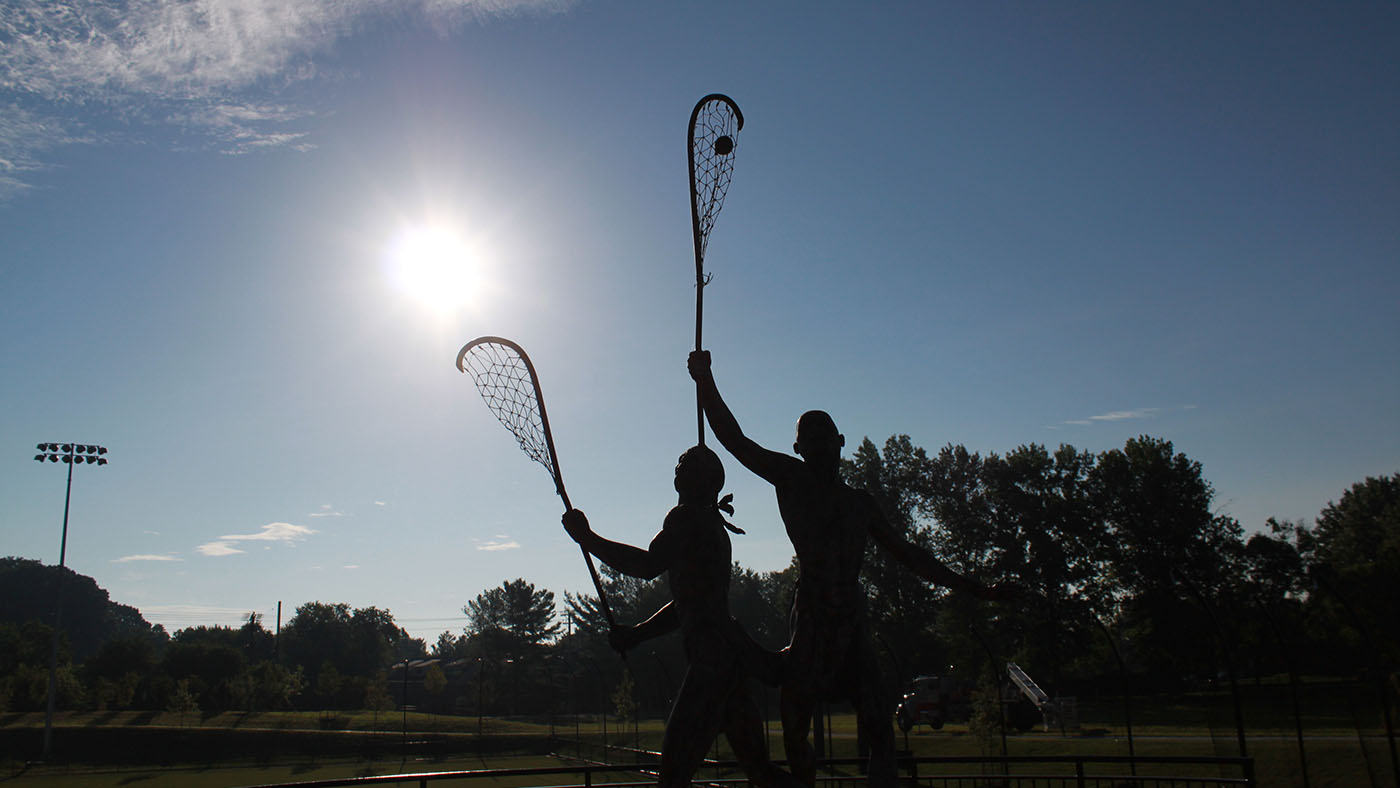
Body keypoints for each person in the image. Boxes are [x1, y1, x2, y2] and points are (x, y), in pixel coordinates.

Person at [689, 350, 1016, 787]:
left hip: (853, 618)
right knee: (794, 722)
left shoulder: (860, 505)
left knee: (878, 721)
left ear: (840, 443)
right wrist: (705, 381)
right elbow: (736, 441)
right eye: (812, 440)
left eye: (828, 439)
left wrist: (976, 588)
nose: (822, 447)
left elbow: (911, 555)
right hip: (812, 612)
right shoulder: (792, 479)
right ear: (799, 449)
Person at [562, 445, 800, 788]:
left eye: (687, 464)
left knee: (673, 776)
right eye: (680, 462)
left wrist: (587, 539)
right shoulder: (712, 526)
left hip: (712, 665)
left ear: (709, 481)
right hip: (728, 659)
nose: (678, 466)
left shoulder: (687, 517)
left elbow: (647, 566)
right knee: (759, 771)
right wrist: (638, 634)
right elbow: (689, 603)